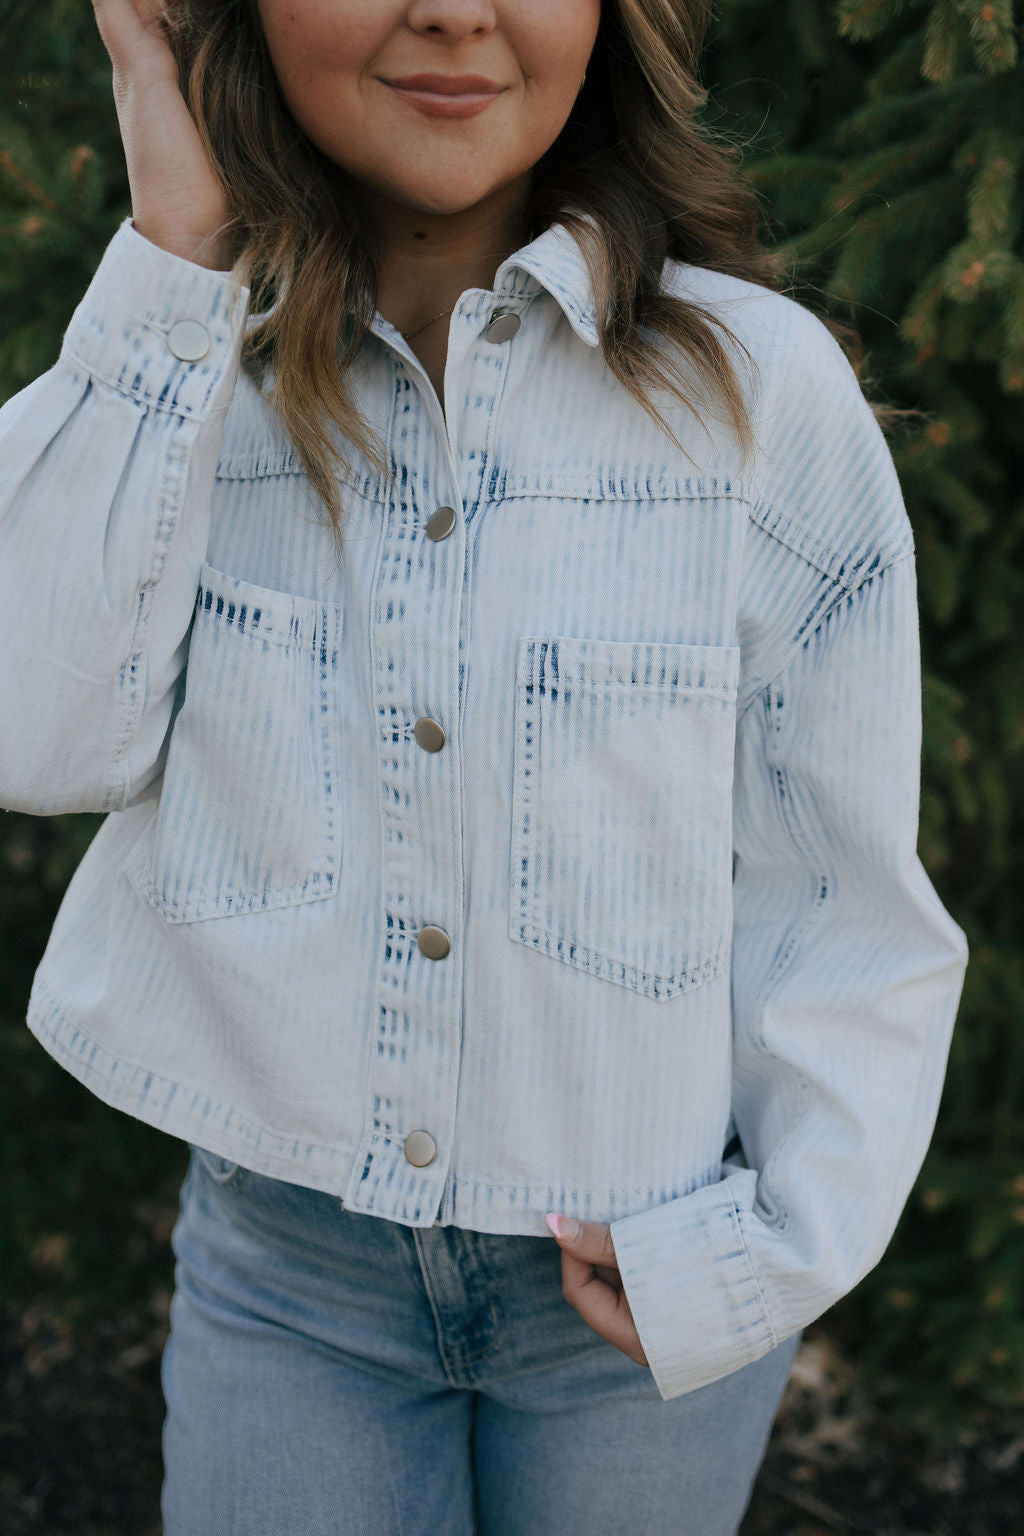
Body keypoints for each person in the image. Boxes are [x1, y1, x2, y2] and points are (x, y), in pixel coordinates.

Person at [0, 0, 969, 1531]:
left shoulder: (754, 393)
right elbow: (27, 732)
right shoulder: (186, 370)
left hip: (634, 1300)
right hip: (289, 1287)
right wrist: (175, 244)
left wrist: (761, 1254)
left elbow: (844, 895)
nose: (456, 11)